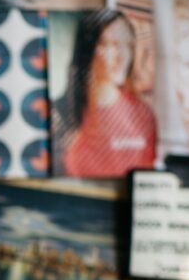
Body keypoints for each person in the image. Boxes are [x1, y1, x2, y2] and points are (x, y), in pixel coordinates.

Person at [52, 10, 157, 177]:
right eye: (112, 44)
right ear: (89, 49)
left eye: (129, 46)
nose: (122, 57)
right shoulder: (57, 116)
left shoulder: (143, 115)